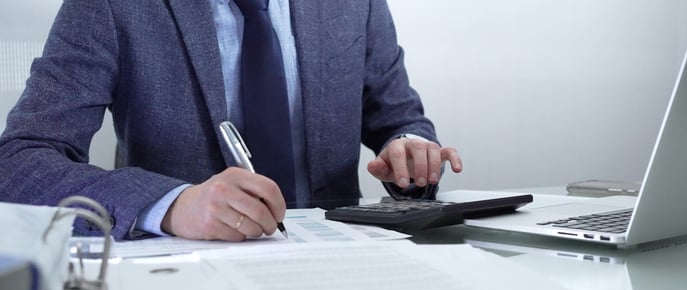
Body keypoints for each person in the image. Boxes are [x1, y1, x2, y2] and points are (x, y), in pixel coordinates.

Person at [0, 0, 462, 241]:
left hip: (342, 266)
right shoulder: (110, 6)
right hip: (184, 283)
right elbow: (18, 162)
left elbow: (401, 119)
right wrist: (172, 205)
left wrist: (410, 151)